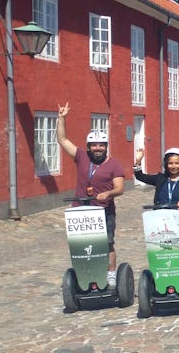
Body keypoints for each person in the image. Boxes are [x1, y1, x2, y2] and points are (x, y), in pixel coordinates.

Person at [56, 102, 125, 288]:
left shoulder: (114, 164)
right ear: (89, 146)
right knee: (82, 245)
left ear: (106, 146)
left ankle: (111, 274)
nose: (97, 148)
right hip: (81, 211)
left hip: (104, 211)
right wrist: (62, 118)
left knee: (107, 243)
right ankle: (86, 273)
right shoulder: (81, 156)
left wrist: (108, 193)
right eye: (94, 145)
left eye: (101, 145)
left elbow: (120, 188)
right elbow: (62, 140)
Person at [133, 147, 179, 249]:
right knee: (162, 250)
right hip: (161, 221)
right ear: (166, 164)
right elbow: (140, 177)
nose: (173, 166)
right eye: (170, 163)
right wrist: (138, 161)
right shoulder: (160, 178)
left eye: (177, 163)